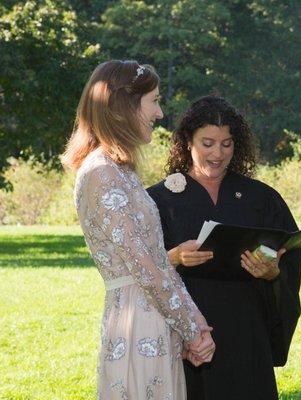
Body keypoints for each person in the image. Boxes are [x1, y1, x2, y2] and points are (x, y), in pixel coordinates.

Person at [61, 60, 215, 399]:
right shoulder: (101, 173)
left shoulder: (120, 171)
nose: (160, 113)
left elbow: (156, 262)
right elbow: (145, 269)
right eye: (155, 101)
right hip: (137, 324)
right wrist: (192, 330)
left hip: (153, 318)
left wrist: (192, 321)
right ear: (124, 106)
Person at [147, 95, 301, 400]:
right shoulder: (159, 201)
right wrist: (174, 257)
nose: (218, 154)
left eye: (227, 143)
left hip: (247, 331)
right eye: (207, 143)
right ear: (187, 142)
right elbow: (140, 267)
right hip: (189, 335)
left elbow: (288, 257)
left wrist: (273, 273)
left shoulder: (262, 199)